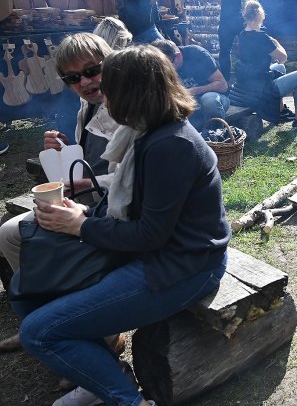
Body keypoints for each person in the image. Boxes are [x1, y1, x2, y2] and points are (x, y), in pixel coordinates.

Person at [14, 44, 230, 406]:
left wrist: (79, 226)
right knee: (30, 289)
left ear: (132, 92)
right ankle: (99, 370)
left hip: (183, 267)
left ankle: (127, 400)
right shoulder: (146, 131)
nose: (105, 99)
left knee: (39, 333)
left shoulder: (170, 145)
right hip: (160, 255)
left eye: (110, 90)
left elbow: (150, 235)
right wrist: (80, 214)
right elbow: (127, 206)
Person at [0, 33, 120, 354]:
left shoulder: (129, 107)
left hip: (112, 213)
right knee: (8, 234)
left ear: (110, 62)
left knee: (37, 240)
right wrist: (63, 151)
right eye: (72, 77)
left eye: (92, 70)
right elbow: (91, 158)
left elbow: (144, 178)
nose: (85, 81)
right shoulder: (89, 105)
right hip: (87, 201)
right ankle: (38, 321)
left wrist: (84, 187)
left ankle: (102, 338)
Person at [231, 0, 297, 128]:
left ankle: (281, 111)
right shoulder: (262, 38)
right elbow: (283, 57)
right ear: (259, 16)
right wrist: (275, 42)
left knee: (280, 68)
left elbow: (279, 63)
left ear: (245, 16)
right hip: (261, 88)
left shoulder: (242, 35)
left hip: (248, 82)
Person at [152, 39, 230, 130]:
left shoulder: (197, 55)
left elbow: (223, 85)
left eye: (169, 64)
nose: (166, 69)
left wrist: (195, 90)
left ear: (178, 55)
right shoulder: (160, 66)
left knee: (209, 100)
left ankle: (217, 137)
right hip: (189, 105)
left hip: (217, 100)